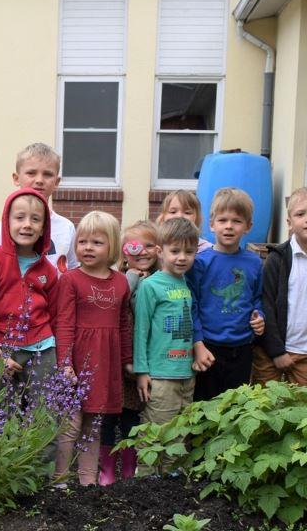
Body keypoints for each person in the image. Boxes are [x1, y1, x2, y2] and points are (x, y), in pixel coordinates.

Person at [54, 210, 132, 486]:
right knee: (71, 424)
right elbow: (64, 324)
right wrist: (65, 362)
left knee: (94, 425)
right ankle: (60, 479)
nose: (87, 247)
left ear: (112, 246)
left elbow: (123, 324)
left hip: (105, 364)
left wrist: (127, 360)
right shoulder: (71, 280)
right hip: (77, 363)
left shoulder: (121, 282)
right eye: (82, 241)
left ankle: (88, 481)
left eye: (97, 242)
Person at [254, 187, 307, 387]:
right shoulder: (278, 258)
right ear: (289, 223)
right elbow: (266, 303)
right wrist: (276, 351)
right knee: (265, 406)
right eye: (300, 214)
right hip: (271, 350)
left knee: (300, 410)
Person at [186, 187, 265, 401]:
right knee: (205, 406)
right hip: (208, 347)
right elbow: (192, 305)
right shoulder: (200, 262)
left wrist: (259, 316)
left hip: (242, 348)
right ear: (211, 224)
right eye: (223, 220)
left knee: (234, 406)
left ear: (248, 226)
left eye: (237, 221)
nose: (229, 226)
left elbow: (257, 297)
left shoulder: (255, 263)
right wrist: (198, 343)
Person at [0, 188, 60, 389]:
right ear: (7, 222)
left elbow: (56, 313)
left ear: (43, 228)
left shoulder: (48, 270)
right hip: (2, 348)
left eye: (35, 219)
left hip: (43, 348)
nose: (27, 225)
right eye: (19, 218)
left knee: (44, 411)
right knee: (0, 413)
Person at [134, 218, 206, 426]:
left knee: (181, 434)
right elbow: (141, 331)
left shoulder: (186, 282)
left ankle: (177, 462)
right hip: (160, 375)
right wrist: (142, 371)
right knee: (158, 434)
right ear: (160, 251)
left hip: (186, 372)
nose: (182, 258)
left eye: (189, 252)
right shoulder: (150, 285)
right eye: (175, 251)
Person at [113, 220, 161, 478]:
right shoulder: (120, 278)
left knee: (135, 415)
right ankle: (109, 466)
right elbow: (119, 298)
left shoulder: (164, 279)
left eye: (149, 245)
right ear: (123, 250)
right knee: (114, 413)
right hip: (122, 357)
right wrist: (132, 276)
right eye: (135, 246)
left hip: (149, 358)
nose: (142, 251)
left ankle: (132, 466)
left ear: (159, 249)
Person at [0, 143, 78, 270]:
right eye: (31, 173)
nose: (39, 180)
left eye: (47, 174)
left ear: (56, 182)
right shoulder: (4, 229)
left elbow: (73, 269)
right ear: (16, 178)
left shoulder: (67, 228)